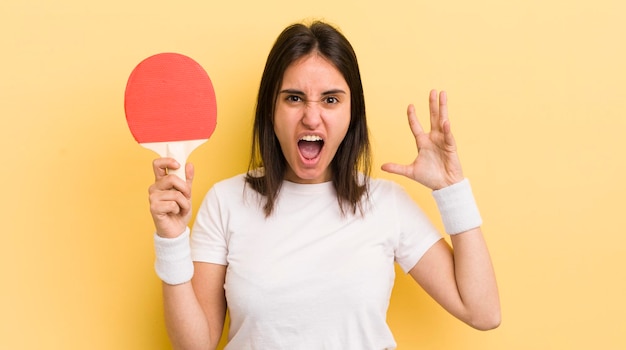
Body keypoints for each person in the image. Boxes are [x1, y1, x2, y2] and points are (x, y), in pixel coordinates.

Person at [148, 21, 500, 350]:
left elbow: (482, 312)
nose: (311, 117)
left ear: (351, 113)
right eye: (294, 98)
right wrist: (171, 239)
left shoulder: (386, 204)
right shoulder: (226, 202)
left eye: (331, 100)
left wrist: (451, 188)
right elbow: (195, 344)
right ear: (271, 110)